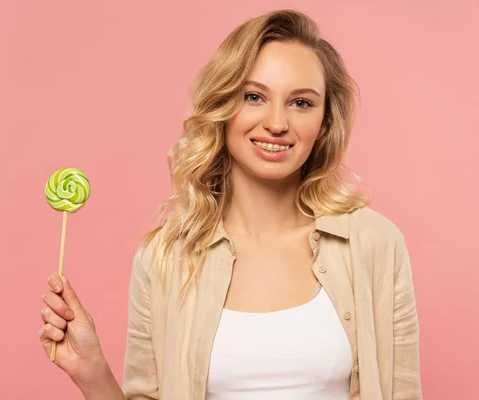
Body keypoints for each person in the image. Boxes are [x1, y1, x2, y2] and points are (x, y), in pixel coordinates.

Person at [38, 9, 422, 400]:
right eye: (253, 97)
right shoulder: (165, 258)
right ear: (222, 107)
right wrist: (92, 370)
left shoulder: (375, 244)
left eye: (302, 103)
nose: (276, 123)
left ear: (323, 123)